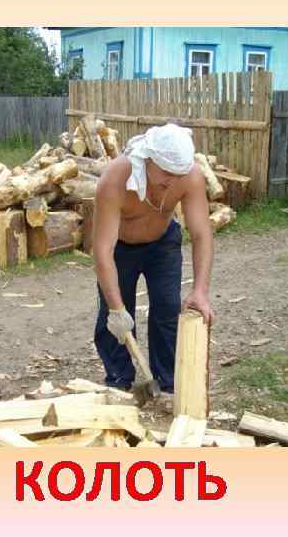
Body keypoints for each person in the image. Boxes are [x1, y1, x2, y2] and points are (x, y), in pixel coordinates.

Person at [92, 123, 215, 393]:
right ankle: (119, 381)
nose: (172, 181)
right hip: (119, 249)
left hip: (162, 243)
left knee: (168, 308)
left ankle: (168, 383)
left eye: (178, 174)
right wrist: (116, 309)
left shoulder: (190, 175)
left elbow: (201, 234)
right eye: (166, 173)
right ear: (148, 159)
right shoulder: (115, 179)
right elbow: (102, 250)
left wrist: (200, 291)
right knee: (114, 317)